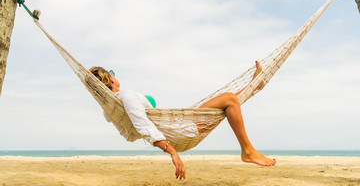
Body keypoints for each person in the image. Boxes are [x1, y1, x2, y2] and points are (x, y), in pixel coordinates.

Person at [89, 61, 276, 180]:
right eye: (111, 72)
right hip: (181, 131)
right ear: (109, 79)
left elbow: (130, 135)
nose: (115, 75)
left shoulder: (111, 110)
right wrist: (171, 152)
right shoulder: (126, 97)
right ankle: (248, 151)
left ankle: (254, 84)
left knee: (228, 100)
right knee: (229, 100)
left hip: (178, 126)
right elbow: (143, 126)